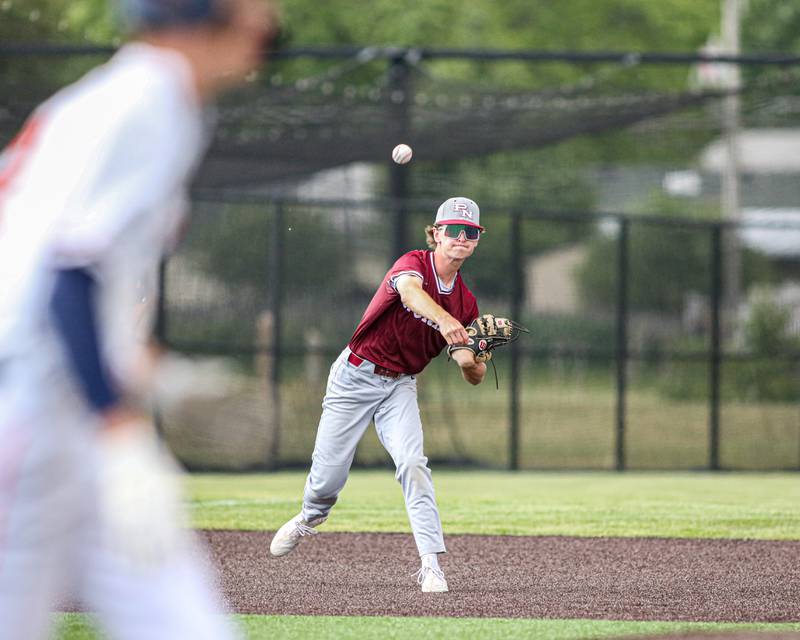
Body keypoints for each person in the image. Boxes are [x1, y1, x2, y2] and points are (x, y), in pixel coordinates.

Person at [0, 1, 279, 638]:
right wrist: (121, 426)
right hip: (26, 416)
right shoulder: (146, 100)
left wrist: (161, 378)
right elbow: (67, 277)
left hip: (71, 409)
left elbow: (76, 280)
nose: (268, 21)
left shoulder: (149, 99)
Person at [270, 196, 488, 593]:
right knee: (326, 481)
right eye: (452, 229)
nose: (460, 237)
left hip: (400, 385)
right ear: (436, 233)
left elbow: (471, 372)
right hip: (354, 377)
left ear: (476, 240)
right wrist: (447, 322)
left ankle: (431, 566)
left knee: (413, 463)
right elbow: (409, 294)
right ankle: (309, 516)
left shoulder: (466, 303)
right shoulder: (413, 264)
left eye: (469, 232)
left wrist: (473, 357)